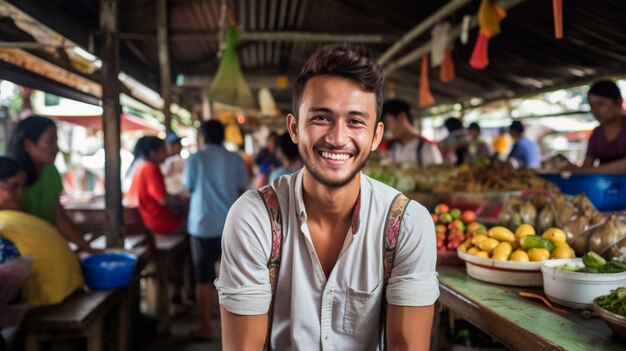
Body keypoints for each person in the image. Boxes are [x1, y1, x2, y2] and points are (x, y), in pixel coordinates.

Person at [216, 44, 438, 350]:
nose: (337, 138)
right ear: (294, 128)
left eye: (356, 121)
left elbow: (407, 345)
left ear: (376, 136)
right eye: (321, 118)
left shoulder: (407, 224)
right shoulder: (255, 218)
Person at [183, 120, 249, 340]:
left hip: (201, 226)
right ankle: (235, 331)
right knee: (234, 278)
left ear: (202, 136)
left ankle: (206, 328)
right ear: (223, 137)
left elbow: (189, 188)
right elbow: (243, 191)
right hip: (230, 225)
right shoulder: (235, 159)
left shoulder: (194, 159)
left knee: (203, 279)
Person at [6, 116, 96, 253]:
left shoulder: (50, 171)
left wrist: (88, 248)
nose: (57, 148)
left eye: (56, 141)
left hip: (43, 245)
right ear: (28, 145)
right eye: (50, 141)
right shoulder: (12, 179)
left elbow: (59, 216)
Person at [564, 80, 626, 174]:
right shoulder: (597, 133)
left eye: (601, 104)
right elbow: (587, 165)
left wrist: (586, 171)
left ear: (618, 102)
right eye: (592, 105)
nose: (595, 111)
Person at [127, 136, 184, 234]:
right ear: (153, 152)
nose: (166, 153)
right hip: (158, 222)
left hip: (148, 219)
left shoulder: (142, 166)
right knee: (191, 227)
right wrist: (179, 196)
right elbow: (163, 200)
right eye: (163, 150)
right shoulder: (151, 168)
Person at [381, 99, 442, 166]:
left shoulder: (426, 149)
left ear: (402, 117)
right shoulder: (392, 148)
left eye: (388, 122)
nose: (387, 128)